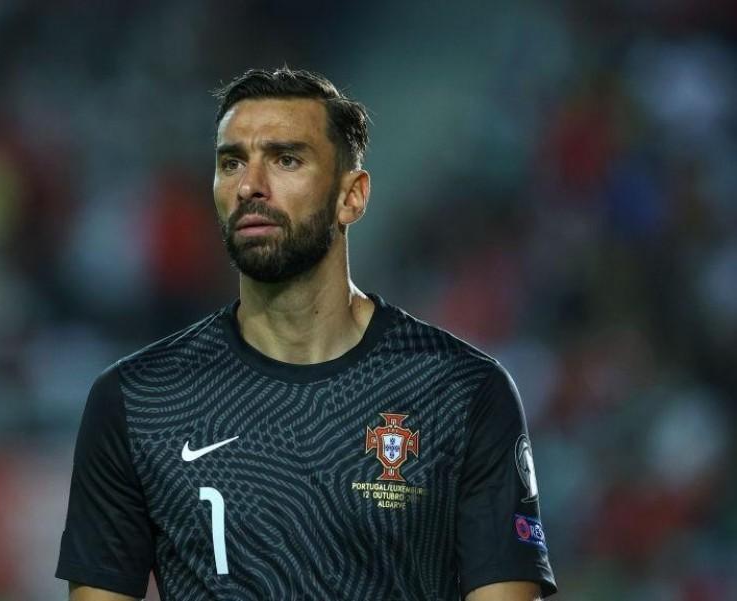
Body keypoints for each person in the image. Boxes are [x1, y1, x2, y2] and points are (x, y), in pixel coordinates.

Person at [55, 67, 557, 600]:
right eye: (231, 162)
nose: (250, 184)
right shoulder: (137, 399)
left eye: (286, 159)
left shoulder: (461, 390)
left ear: (352, 197)